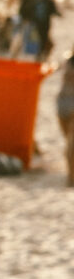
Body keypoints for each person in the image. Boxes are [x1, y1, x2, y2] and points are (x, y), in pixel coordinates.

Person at [57, 49, 74, 189]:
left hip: (63, 103)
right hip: (68, 104)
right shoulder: (67, 60)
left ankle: (70, 176)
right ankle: (71, 176)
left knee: (69, 142)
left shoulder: (67, 60)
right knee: (70, 142)